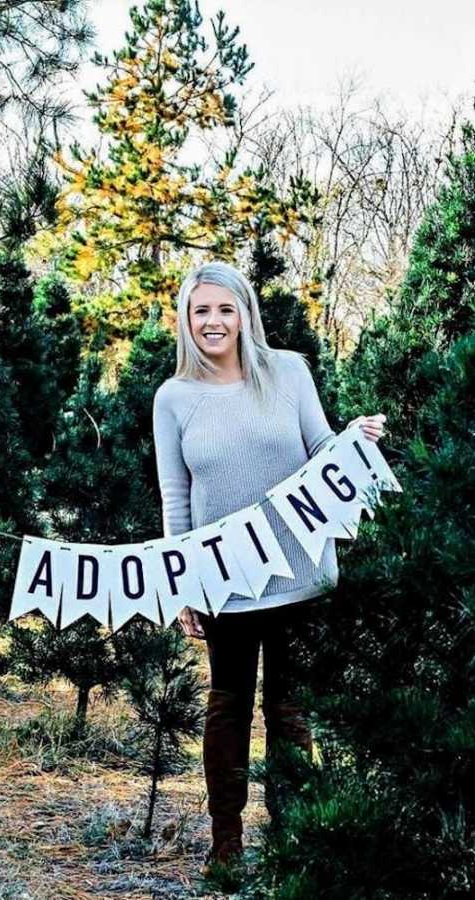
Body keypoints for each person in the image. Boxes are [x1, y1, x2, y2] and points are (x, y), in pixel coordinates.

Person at [152, 261, 384, 867]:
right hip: (223, 581)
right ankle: (226, 844)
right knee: (227, 703)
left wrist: (354, 438)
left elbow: (321, 451)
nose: (213, 321)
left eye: (225, 309)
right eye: (201, 310)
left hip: (300, 574)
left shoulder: (288, 372)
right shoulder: (174, 398)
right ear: (185, 319)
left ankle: (293, 837)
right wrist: (183, 584)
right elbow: (175, 498)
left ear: (245, 315)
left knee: (290, 709)